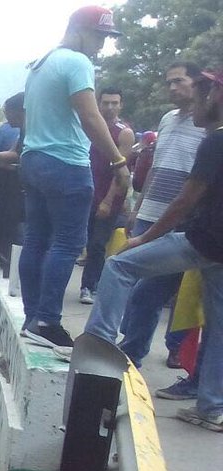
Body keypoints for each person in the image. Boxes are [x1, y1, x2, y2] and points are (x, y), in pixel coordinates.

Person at [65, 69, 223, 432]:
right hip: (218, 250)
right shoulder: (189, 129)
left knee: (119, 265)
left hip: (203, 241)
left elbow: (185, 200)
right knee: (218, 327)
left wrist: (146, 237)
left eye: (200, 97)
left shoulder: (214, 141)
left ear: (214, 97)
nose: (195, 107)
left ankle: (98, 351)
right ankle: (212, 407)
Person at [17, 5, 130, 349]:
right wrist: (118, 161)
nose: (102, 44)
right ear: (79, 29)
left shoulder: (41, 63)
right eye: (99, 35)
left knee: (36, 240)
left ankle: (32, 316)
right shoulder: (78, 63)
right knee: (67, 243)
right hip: (66, 163)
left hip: (34, 159)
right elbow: (90, 115)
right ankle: (48, 320)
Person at [118, 62, 207, 377]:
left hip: (181, 220)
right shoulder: (167, 120)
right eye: (168, 82)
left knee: (155, 291)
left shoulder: (207, 124)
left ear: (197, 84)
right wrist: (138, 208)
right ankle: (131, 353)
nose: (172, 88)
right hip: (149, 215)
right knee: (140, 289)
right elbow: (155, 169)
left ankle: (133, 357)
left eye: (179, 81)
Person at [79, 87, 136, 304]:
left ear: (121, 105)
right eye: (106, 103)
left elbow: (120, 171)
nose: (110, 107)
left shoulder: (124, 133)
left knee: (97, 244)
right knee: (78, 240)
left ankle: (89, 286)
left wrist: (108, 200)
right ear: (98, 104)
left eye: (114, 103)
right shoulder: (89, 126)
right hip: (85, 191)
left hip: (107, 195)